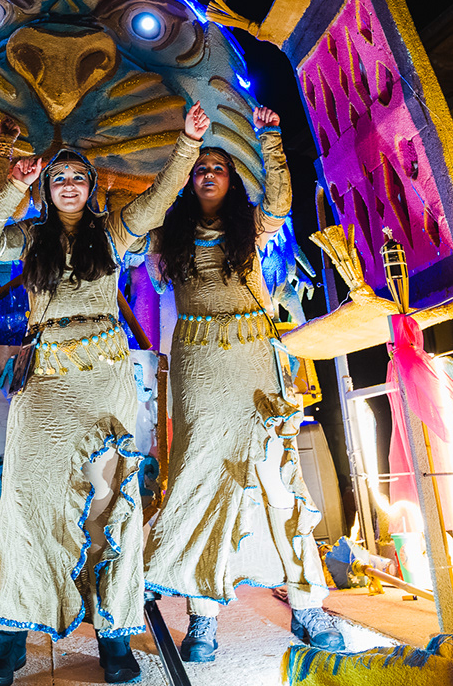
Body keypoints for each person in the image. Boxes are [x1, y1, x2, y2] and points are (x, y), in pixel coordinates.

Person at [0, 103, 211, 686]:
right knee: (27, 499)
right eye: (58, 178)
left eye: (78, 176)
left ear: (91, 186)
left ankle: (114, 634)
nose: (69, 184)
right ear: (46, 189)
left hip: (104, 378)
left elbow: (161, 197)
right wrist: (12, 184)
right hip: (45, 377)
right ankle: (9, 638)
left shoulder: (114, 231)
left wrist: (188, 143)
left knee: (108, 500)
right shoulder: (29, 238)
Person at [141, 108, 343, 663]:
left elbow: (280, 200)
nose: (209, 174)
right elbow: (148, 209)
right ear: (188, 179)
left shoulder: (250, 226)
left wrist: (271, 137)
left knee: (279, 481)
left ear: (232, 180)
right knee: (202, 480)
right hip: (200, 367)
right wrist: (186, 147)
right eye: (200, 168)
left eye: (219, 168)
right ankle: (202, 617)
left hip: (255, 361)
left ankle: (307, 604)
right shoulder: (165, 233)